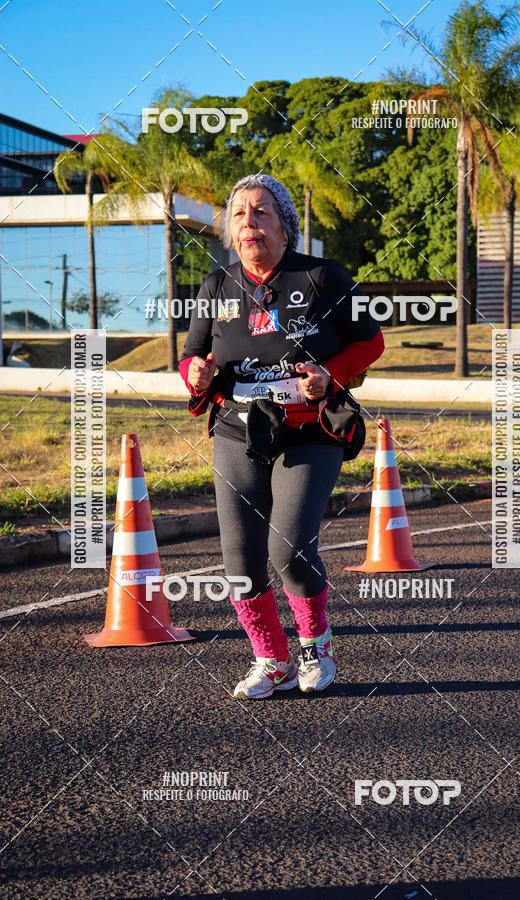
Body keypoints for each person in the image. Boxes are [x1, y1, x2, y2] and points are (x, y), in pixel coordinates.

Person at [179, 174, 384, 700]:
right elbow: (193, 356)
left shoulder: (323, 278)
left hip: (309, 429)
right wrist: (195, 374)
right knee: (240, 560)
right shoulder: (216, 287)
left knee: (289, 549)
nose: (249, 222)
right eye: (240, 213)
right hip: (237, 427)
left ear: (285, 227)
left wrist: (329, 376)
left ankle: (316, 643)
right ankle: (271, 659)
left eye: (262, 212)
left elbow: (372, 341)